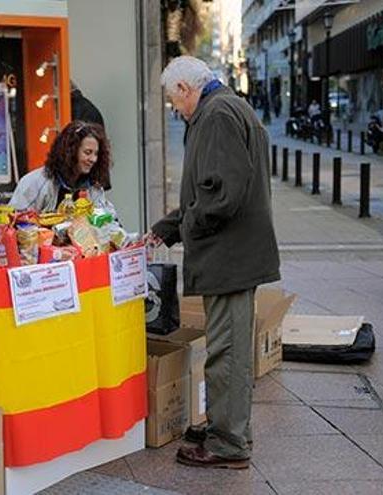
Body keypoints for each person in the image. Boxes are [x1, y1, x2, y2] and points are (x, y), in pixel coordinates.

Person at [145, 56, 280, 469]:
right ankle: (229, 427)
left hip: (230, 256)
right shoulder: (224, 108)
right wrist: (169, 227)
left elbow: (220, 196)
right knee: (228, 347)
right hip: (231, 253)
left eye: (174, 101)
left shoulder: (216, 114)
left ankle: (228, 443)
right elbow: (208, 191)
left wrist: (189, 226)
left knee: (228, 351)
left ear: (186, 89)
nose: (175, 109)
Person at [9, 120, 117, 216]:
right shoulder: (35, 182)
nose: (93, 159)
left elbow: (109, 221)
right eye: (87, 152)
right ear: (71, 152)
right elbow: (15, 221)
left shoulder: (94, 187)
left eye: (96, 154)